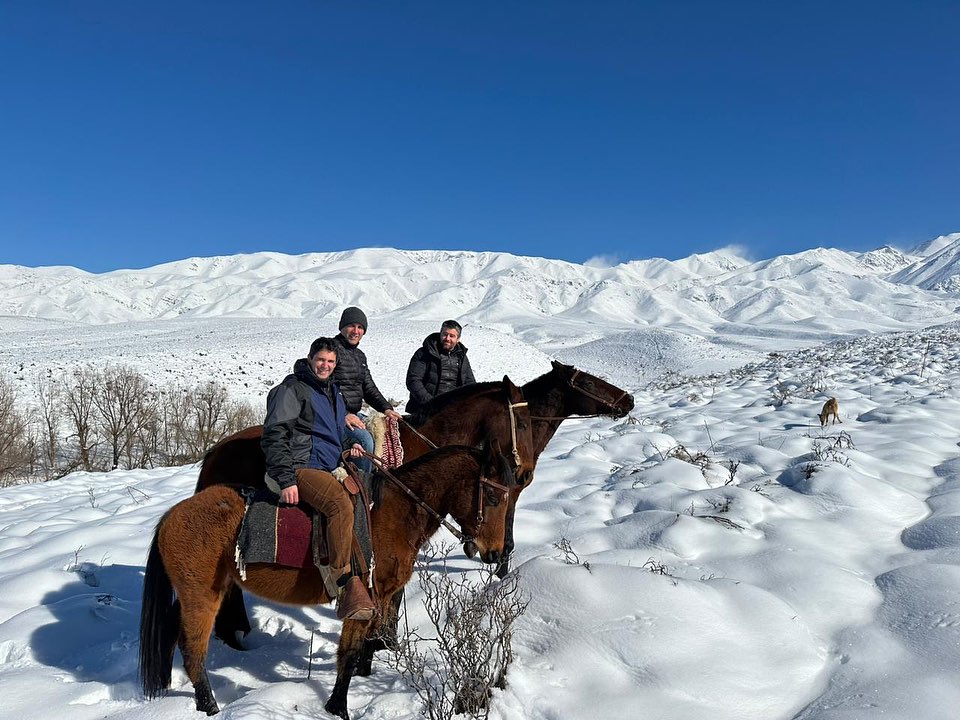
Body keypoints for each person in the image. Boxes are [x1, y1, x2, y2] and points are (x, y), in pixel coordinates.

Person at [261, 336, 376, 621]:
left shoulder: (332, 392)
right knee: (338, 504)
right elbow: (275, 435)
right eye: (321, 360)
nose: (325, 365)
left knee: (365, 492)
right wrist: (286, 479)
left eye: (330, 361)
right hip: (300, 466)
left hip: (326, 464)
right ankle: (343, 581)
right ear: (311, 359)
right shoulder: (293, 389)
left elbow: (328, 436)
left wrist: (348, 449)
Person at [332, 307, 401, 473]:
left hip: (354, 413)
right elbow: (325, 388)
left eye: (360, 327)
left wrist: (387, 409)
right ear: (342, 327)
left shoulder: (359, 356)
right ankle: (365, 486)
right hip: (334, 415)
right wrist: (343, 414)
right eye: (351, 326)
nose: (356, 331)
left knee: (391, 431)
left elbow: (368, 387)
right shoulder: (331, 350)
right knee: (365, 440)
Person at [405, 319, 476, 415]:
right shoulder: (424, 353)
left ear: (458, 339)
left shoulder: (462, 357)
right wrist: (431, 403)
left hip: (452, 411)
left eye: (452, 336)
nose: (447, 338)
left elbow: (470, 384)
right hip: (424, 410)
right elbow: (413, 380)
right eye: (445, 334)